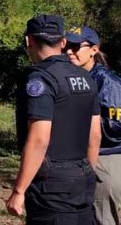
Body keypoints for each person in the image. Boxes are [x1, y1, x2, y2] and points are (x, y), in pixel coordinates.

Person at [6, 15, 101, 224]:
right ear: (63, 42)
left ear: (28, 41)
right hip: (83, 176)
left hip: (52, 186)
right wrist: (86, 172)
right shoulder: (86, 78)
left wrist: (19, 190)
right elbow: (95, 135)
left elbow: (39, 139)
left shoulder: (40, 78)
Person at [65, 26, 121, 224]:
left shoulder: (109, 83)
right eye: (66, 46)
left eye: (76, 46)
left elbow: (115, 128)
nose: (69, 51)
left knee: (102, 217)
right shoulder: (75, 77)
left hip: (105, 157)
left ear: (94, 50)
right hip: (80, 158)